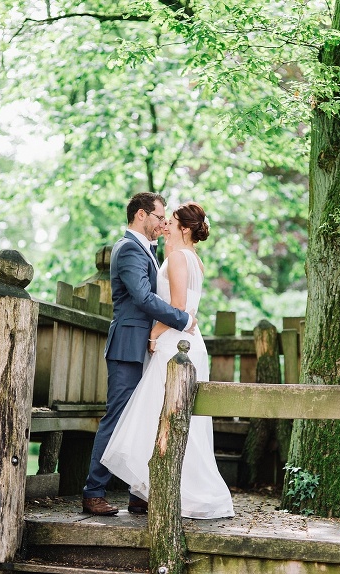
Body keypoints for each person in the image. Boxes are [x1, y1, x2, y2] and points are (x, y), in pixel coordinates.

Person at [101, 202, 234, 519]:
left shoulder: (176, 258)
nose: (165, 225)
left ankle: (163, 490)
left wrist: (153, 334)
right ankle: (144, 492)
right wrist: (182, 321)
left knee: (156, 416)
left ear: (184, 229)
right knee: (175, 419)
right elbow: (189, 309)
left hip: (175, 344)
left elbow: (176, 309)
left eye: (171, 222)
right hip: (190, 343)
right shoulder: (196, 261)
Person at [82, 192, 196, 516]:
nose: (163, 224)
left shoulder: (149, 250)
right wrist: (182, 318)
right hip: (128, 346)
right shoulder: (129, 248)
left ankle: (139, 493)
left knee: (144, 418)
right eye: (160, 217)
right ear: (141, 215)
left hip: (148, 346)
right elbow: (144, 299)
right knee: (116, 417)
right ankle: (93, 492)